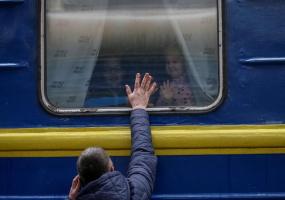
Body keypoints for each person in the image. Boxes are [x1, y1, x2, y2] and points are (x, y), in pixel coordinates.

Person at [69, 73, 157, 200]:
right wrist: (139, 108)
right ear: (112, 169)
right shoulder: (134, 193)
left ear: (78, 181)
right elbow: (142, 156)